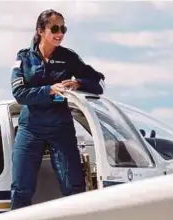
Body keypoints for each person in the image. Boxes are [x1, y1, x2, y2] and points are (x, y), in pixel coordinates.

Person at [10, 9, 106, 210]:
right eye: (54, 28)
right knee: (21, 189)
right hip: (30, 128)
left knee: (73, 187)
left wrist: (78, 83)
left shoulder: (69, 58)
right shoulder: (24, 58)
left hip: (60, 128)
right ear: (40, 31)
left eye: (63, 28)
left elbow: (98, 82)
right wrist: (49, 90)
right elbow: (19, 93)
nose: (60, 33)